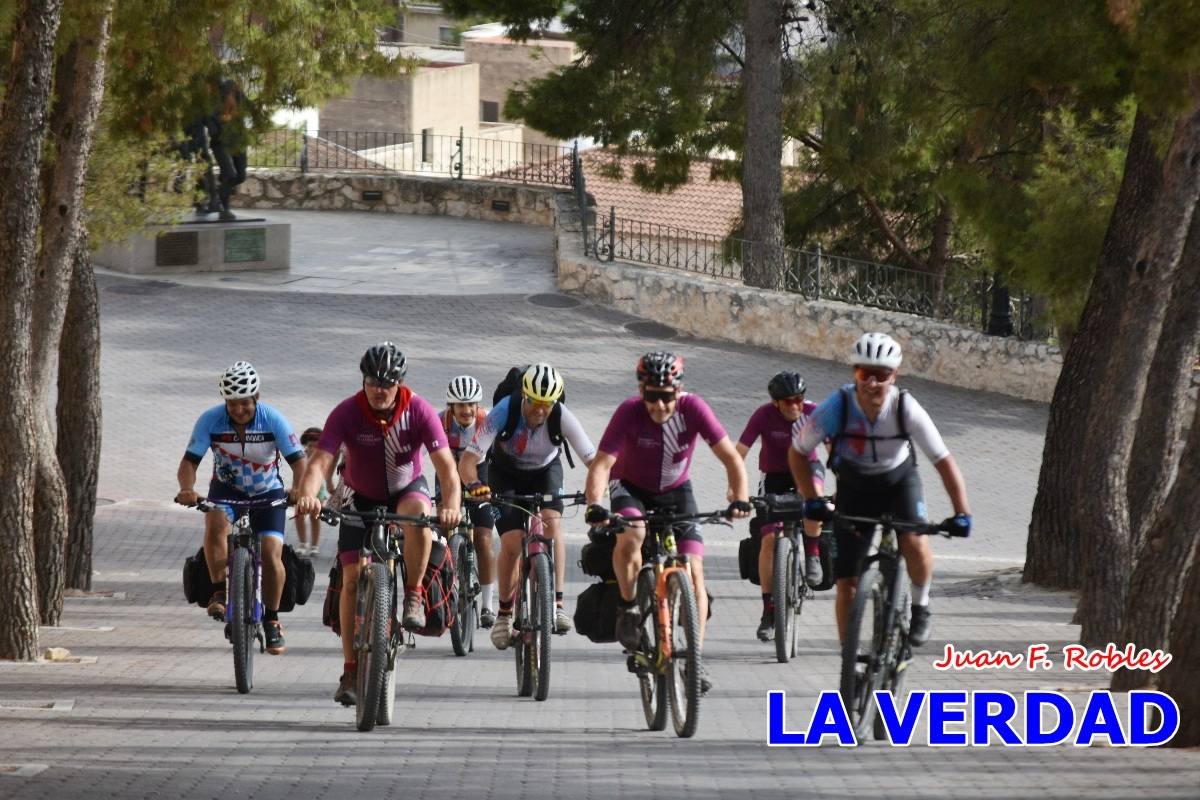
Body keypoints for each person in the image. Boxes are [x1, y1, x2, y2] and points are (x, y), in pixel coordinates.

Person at [295, 343, 462, 706]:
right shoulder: (347, 412)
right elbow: (321, 462)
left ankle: (414, 596)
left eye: (387, 382)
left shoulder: (418, 410)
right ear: (364, 380)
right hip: (359, 495)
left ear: (400, 382)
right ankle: (351, 668)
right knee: (352, 578)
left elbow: (447, 468)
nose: (379, 389)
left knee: (418, 515)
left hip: (406, 490)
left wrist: (452, 506)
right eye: (373, 381)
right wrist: (310, 496)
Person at [583, 352, 751, 694]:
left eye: (667, 396)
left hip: (677, 490)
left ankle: (696, 658)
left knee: (694, 570)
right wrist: (594, 506)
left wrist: (739, 499)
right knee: (632, 532)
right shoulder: (629, 411)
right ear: (641, 390)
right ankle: (629, 609)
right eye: (652, 396)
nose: (660, 406)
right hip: (630, 488)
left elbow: (731, 457)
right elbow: (601, 464)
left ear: (679, 390)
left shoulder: (694, 409)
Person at [789, 332, 971, 648]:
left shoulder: (904, 407)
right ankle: (849, 662)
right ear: (854, 373)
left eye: (881, 375)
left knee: (914, 542)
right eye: (863, 374)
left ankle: (920, 606)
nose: (872, 383)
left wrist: (961, 512)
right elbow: (798, 451)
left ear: (893, 376)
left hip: (899, 483)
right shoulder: (839, 405)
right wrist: (812, 498)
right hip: (855, 489)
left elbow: (943, 460)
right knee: (846, 582)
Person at [458, 363, 597, 650]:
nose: (540, 410)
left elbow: (595, 462)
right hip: (505, 474)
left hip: (546, 472)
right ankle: (504, 614)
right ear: (524, 396)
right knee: (511, 542)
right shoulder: (504, 411)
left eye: (547, 404)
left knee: (552, 523)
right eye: (534, 402)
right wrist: (474, 485)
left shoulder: (561, 415)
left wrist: (595, 493)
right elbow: (468, 461)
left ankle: (557, 603)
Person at [175, 361, 307, 656]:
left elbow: (299, 461)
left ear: (256, 398)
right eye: (232, 404)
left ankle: (272, 620)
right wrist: (187, 488)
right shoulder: (210, 420)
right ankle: (220, 589)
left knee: (272, 553)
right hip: (227, 490)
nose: (238, 410)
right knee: (215, 523)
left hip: (267, 492)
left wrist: (299, 489)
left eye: (244, 403)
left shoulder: (273, 419)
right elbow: (189, 463)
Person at [735, 370, 825, 642]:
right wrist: (736, 489)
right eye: (788, 401)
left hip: (808, 470)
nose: (795, 406)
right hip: (773, 477)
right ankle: (768, 610)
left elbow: (836, 449)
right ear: (776, 402)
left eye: (799, 399)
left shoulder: (815, 414)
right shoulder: (763, 415)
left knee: (815, 499)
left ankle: (812, 553)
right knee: (768, 541)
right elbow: (739, 452)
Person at [440, 375, 498, 628]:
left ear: (478, 406)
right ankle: (443, 583)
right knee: (442, 526)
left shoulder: (487, 421)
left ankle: (487, 605)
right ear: (451, 407)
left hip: (480, 470)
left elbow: (499, 457)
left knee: (484, 538)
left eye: (471, 404)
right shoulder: (440, 421)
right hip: (448, 469)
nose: (466, 410)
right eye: (460, 405)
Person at [293, 427, 334, 556]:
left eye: (316, 446)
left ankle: (315, 545)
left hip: (319, 492)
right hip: (300, 489)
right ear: (305, 445)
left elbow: (326, 474)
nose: (312, 449)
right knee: (298, 516)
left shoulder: (322, 457)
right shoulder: (301, 457)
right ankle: (303, 543)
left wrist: (329, 483)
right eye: (310, 446)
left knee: (315, 517)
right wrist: (294, 488)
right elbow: (296, 473)